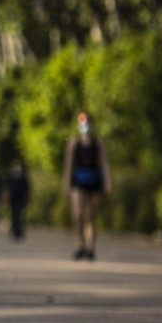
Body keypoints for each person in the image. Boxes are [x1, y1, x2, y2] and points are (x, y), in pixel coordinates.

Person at [62, 110, 111, 260]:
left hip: (94, 181)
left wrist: (108, 181)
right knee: (77, 215)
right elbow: (68, 164)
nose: (85, 124)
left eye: (87, 121)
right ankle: (79, 245)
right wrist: (66, 183)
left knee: (91, 216)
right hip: (78, 182)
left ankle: (90, 247)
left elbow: (104, 162)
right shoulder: (73, 142)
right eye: (82, 121)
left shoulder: (98, 142)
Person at [6, 159, 30, 241]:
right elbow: (7, 188)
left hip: (21, 199)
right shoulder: (10, 176)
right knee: (14, 215)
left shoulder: (23, 176)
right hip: (13, 199)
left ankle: (19, 231)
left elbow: (27, 188)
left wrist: (26, 198)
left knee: (19, 215)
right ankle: (15, 231)